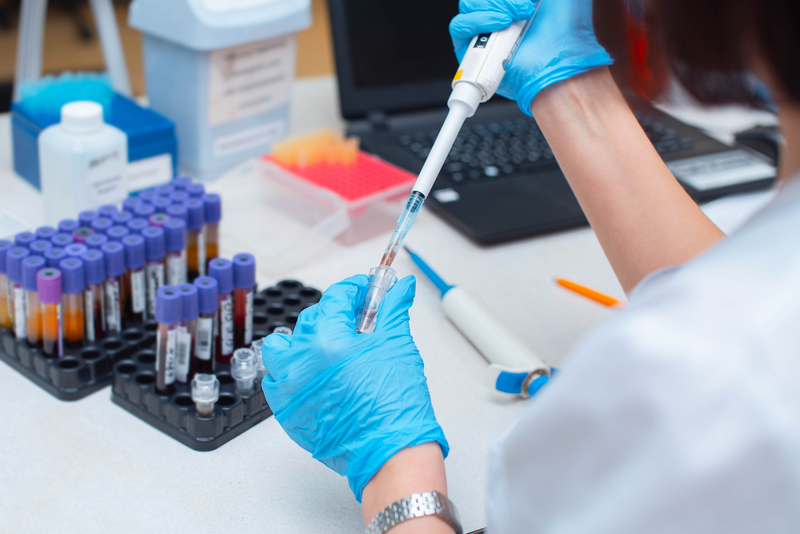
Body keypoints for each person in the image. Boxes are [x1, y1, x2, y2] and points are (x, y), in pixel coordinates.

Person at [261, 0, 800, 532]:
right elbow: (726, 302)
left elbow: (724, 349)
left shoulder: (681, 387)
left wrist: (395, 471)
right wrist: (568, 82)